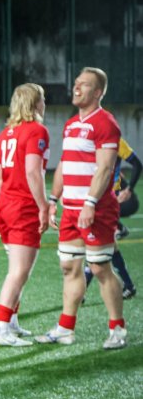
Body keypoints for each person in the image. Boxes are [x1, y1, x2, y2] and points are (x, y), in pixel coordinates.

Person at [38, 67, 126, 350]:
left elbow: (106, 168)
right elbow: (64, 165)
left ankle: (117, 329)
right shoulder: (70, 124)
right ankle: (66, 328)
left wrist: (90, 202)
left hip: (96, 210)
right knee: (68, 266)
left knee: (100, 268)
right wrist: (53, 200)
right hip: (71, 209)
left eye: (84, 85)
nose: (76, 88)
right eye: (76, 83)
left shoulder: (106, 123)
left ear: (98, 92)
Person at [0, 84, 50, 347]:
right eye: (43, 99)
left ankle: (11, 322)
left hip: (5, 205)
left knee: (18, 270)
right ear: (36, 103)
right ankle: (0, 329)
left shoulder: (5, 134)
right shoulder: (37, 130)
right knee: (18, 272)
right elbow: (33, 172)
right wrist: (44, 206)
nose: (44, 104)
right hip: (23, 207)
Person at [83, 137, 139, 299]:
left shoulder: (116, 140)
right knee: (104, 245)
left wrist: (128, 189)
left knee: (95, 243)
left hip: (108, 200)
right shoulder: (90, 141)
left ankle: (83, 290)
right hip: (96, 197)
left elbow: (137, 164)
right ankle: (129, 286)